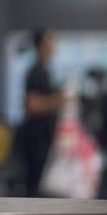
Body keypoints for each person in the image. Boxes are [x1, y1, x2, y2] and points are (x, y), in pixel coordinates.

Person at [19, 28, 67, 197]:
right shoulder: (35, 72)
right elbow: (32, 105)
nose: (53, 46)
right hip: (36, 138)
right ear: (40, 46)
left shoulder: (46, 71)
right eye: (49, 42)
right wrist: (58, 101)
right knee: (34, 184)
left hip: (45, 136)